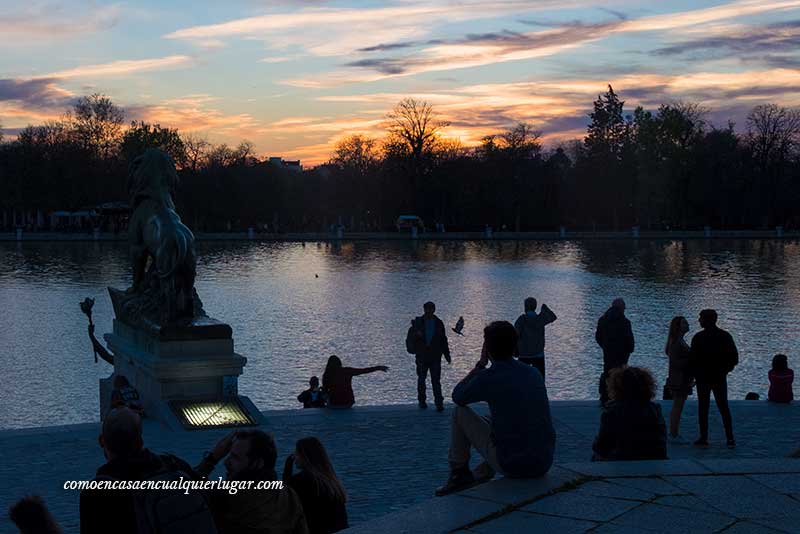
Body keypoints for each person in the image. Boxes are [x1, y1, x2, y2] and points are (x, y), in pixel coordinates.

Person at [435, 321, 556, 496]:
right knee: (496, 417)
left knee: (460, 413)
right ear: (515, 345)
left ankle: (459, 473)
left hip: (514, 466)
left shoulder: (490, 377)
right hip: (544, 461)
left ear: (488, 348)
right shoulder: (533, 373)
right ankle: (486, 469)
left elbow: (458, 396)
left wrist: (480, 365)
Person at [79, 407, 215, 534]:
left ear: (101, 441)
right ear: (141, 441)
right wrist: (215, 456)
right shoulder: (172, 464)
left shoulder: (97, 493)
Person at [197, 430, 309, 534]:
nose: (226, 462)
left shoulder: (226, 495)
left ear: (257, 463)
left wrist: (212, 458)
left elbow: (186, 489)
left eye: (235, 457)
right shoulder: (289, 496)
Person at [591, 366, 667, 461]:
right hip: (654, 458)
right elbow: (661, 440)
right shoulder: (655, 410)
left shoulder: (611, 413)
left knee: (596, 457)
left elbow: (602, 446)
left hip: (622, 459)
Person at [690, 309, 738, 449]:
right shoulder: (725, 336)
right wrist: (725, 370)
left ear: (706, 320)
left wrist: (694, 375)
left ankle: (704, 437)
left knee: (703, 407)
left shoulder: (698, 338)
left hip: (703, 378)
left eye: (701, 318)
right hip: (719, 377)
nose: (699, 321)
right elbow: (734, 358)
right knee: (723, 407)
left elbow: (693, 360)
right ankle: (730, 437)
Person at [282, 437, 348, 534]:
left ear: (304, 456)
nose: (295, 456)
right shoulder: (330, 481)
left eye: (296, 453)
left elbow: (284, 500)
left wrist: (287, 470)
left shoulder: (301, 480)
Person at [405, 301, 451, 411]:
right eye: (427, 309)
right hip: (421, 356)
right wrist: (416, 336)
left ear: (434, 310)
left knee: (436, 381)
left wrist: (447, 354)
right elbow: (411, 339)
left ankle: (439, 403)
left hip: (435, 356)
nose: (429, 311)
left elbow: (443, 340)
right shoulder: (418, 323)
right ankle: (422, 401)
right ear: (424, 309)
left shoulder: (439, 323)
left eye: (431, 309)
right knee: (421, 379)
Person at [595, 298, 635, 405]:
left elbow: (598, 337)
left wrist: (605, 347)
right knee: (621, 376)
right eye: (624, 308)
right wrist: (629, 350)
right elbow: (629, 340)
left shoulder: (602, 320)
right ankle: (618, 398)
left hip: (608, 353)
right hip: (622, 355)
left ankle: (605, 397)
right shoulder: (625, 322)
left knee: (607, 373)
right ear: (621, 308)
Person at [665, 316, 693, 443]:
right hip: (679, 379)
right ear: (678, 326)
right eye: (684, 323)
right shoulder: (677, 343)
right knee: (678, 406)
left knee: (678, 406)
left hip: (681, 378)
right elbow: (675, 362)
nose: (687, 324)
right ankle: (674, 433)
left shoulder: (678, 341)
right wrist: (691, 359)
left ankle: (674, 432)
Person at [321, 355, 388, 409]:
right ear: (339, 363)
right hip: (348, 402)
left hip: (334, 402)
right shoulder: (347, 371)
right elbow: (363, 370)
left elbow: (325, 391)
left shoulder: (327, 374)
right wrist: (378, 368)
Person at [514, 297, 557, 380]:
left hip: (524, 354)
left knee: (521, 380)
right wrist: (545, 308)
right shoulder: (540, 318)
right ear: (535, 307)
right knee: (540, 380)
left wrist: (514, 350)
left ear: (525, 307)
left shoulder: (521, 319)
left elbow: (515, 335)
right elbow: (553, 317)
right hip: (538, 354)